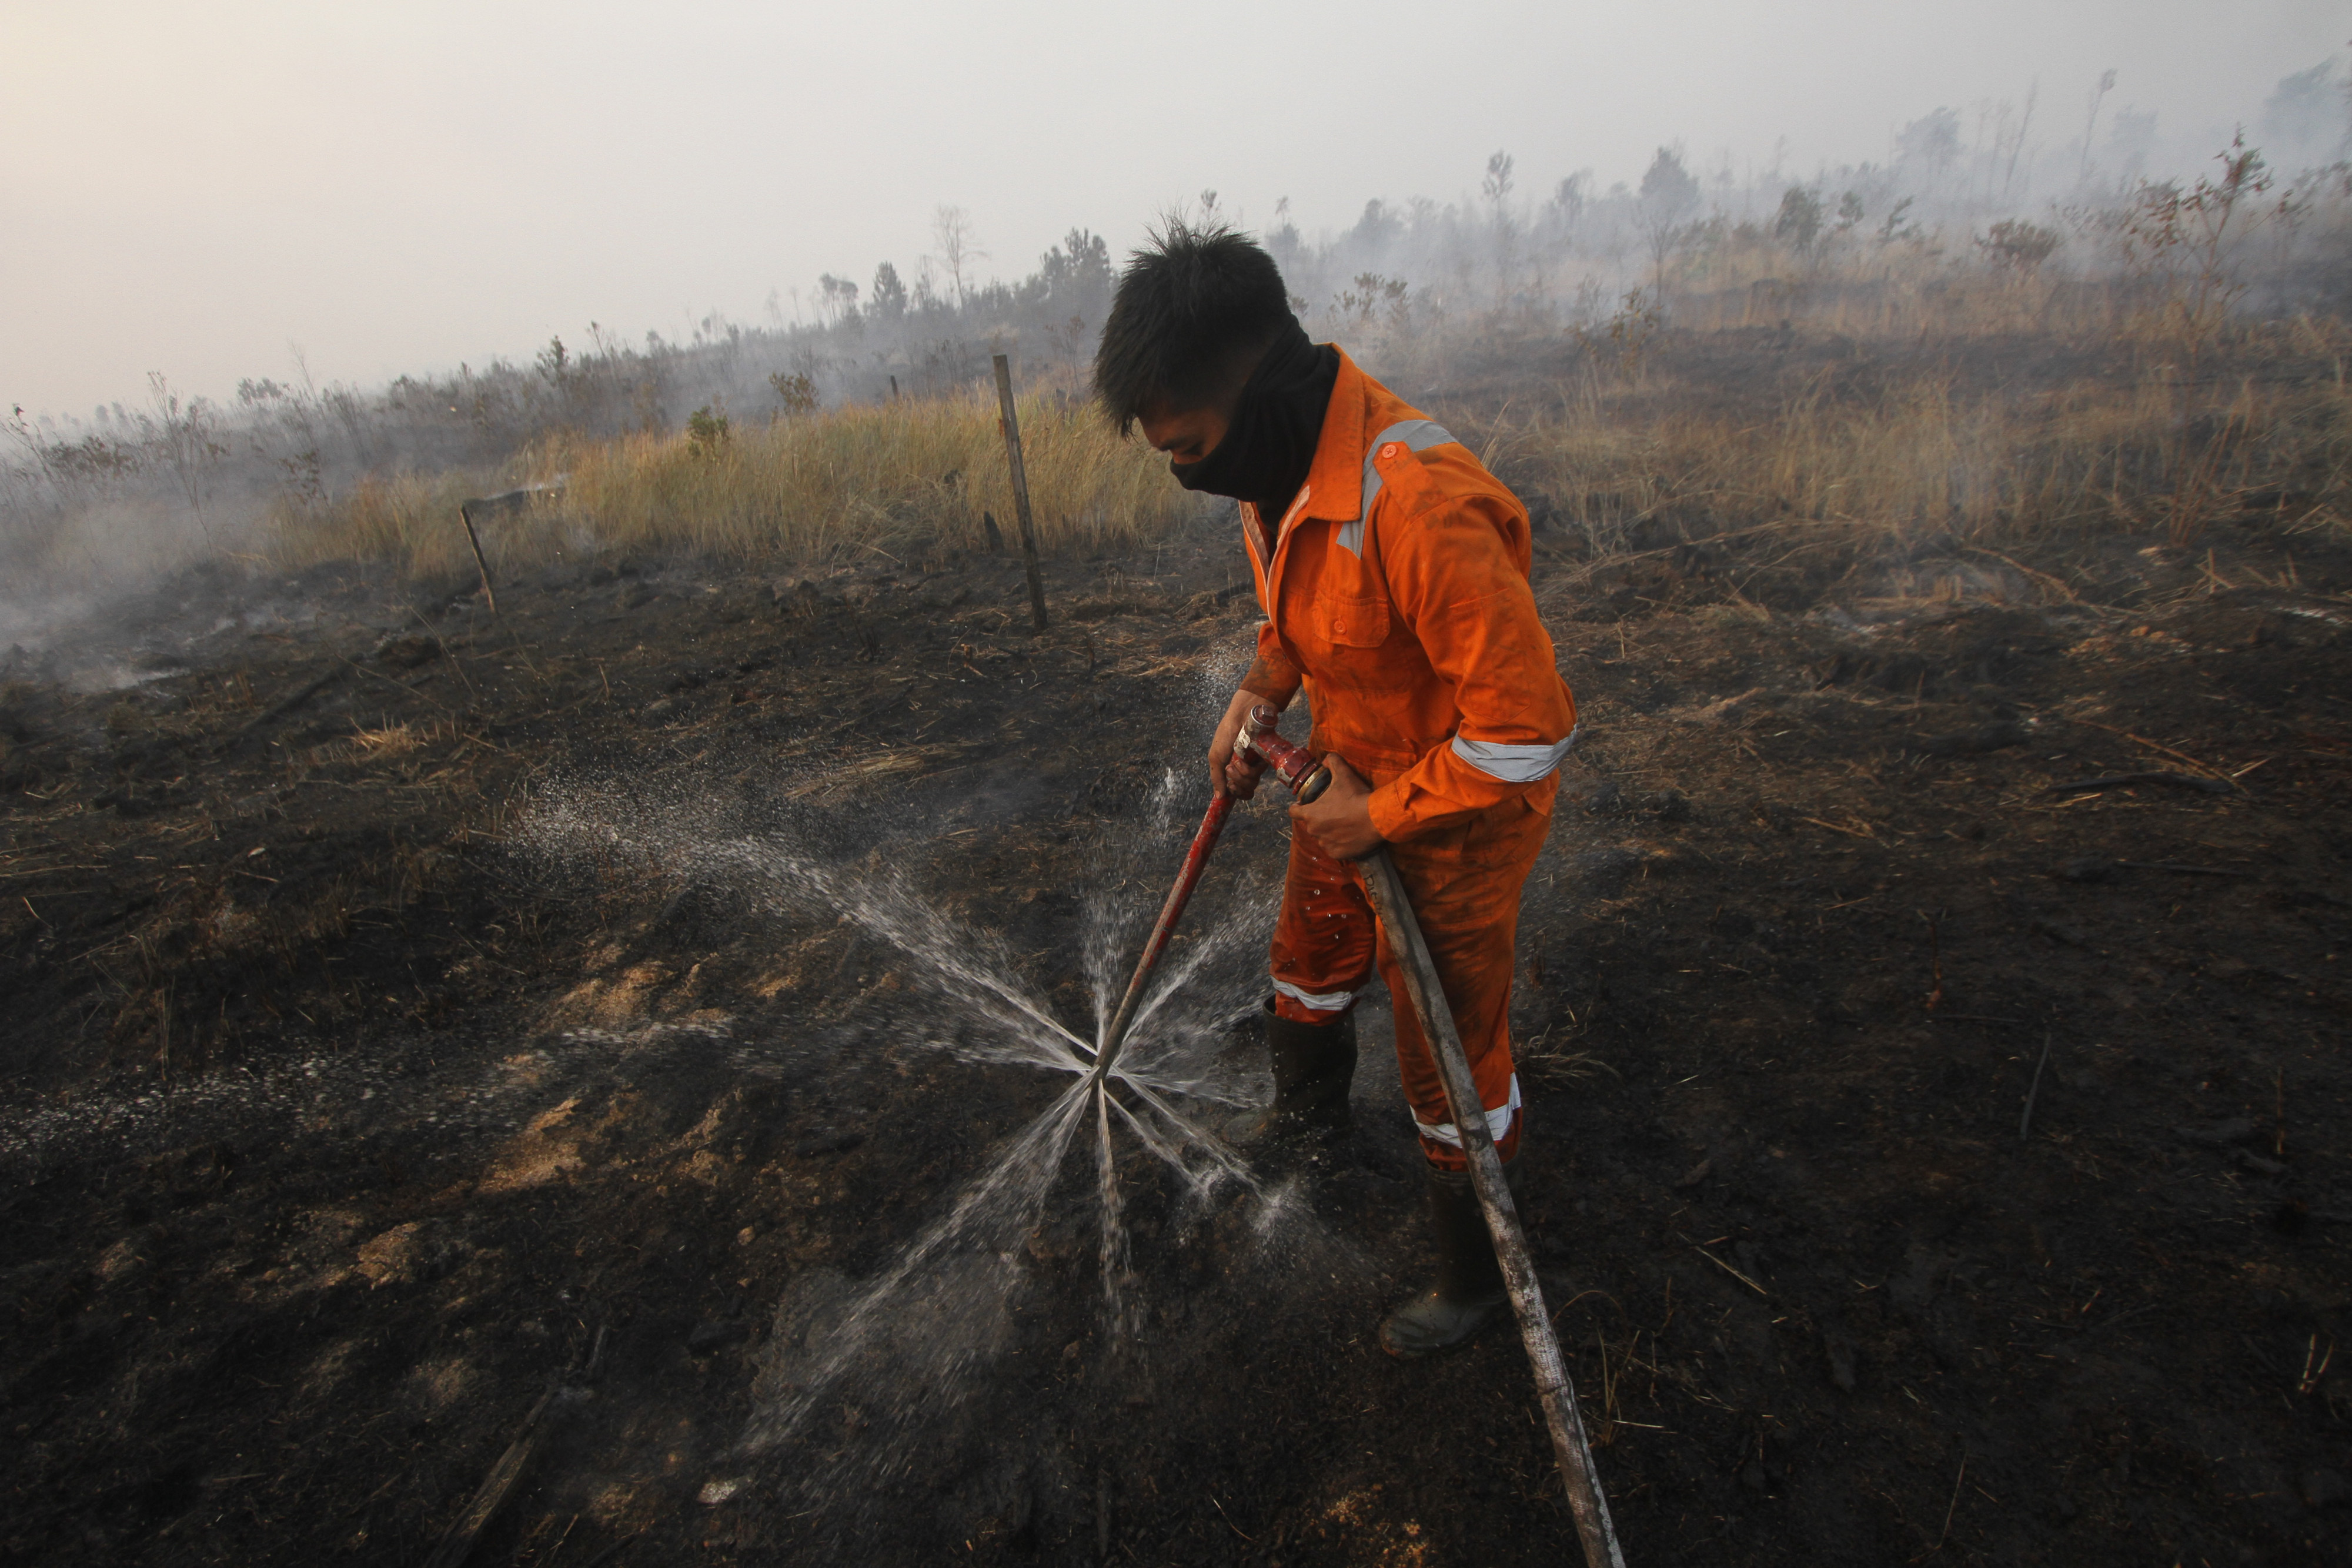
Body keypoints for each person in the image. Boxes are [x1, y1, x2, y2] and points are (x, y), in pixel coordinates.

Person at [1092, 222, 1578, 1358]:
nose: (1188, 472)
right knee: (1304, 971)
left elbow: (1529, 730)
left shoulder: (1418, 502)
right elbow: (1296, 622)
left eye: (1191, 447)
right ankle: (1304, 1125)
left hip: (1453, 825)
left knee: (1445, 1064)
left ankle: (1475, 1279)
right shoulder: (1279, 478)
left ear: (1258, 395)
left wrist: (1387, 815)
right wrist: (1254, 702)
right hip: (1344, 773)